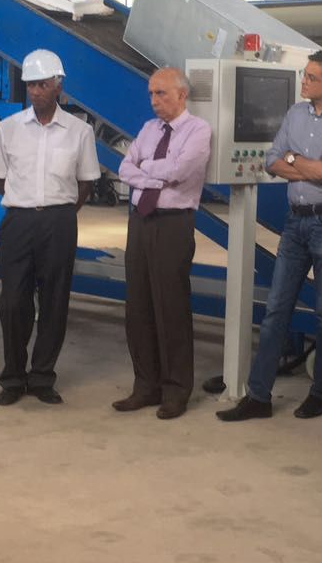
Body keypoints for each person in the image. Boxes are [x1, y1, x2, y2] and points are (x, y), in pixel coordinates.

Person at [217, 49, 322, 422]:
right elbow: (272, 160)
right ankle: (259, 397)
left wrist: (295, 160)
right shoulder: (296, 113)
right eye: (305, 74)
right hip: (295, 222)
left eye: (312, 78)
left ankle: (320, 393)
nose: (304, 82)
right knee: (275, 309)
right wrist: (305, 162)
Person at [0, 49, 101, 407]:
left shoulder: (79, 132)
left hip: (59, 222)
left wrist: (60, 211)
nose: (35, 91)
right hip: (18, 222)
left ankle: (42, 377)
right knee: (12, 302)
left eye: (42, 84)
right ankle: (13, 377)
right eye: (31, 85)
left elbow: (86, 182)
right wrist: (26, 202)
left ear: (58, 85)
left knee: (54, 300)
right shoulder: (9, 128)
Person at [112, 68, 211, 420]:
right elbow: (125, 168)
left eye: (161, 94)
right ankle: (145, 386)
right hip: (140, 221)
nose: (154, 101)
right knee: (138, 305)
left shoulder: (198, 131)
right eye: (151, 94)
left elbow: (180, 171)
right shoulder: (148, 129)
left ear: (182, 95)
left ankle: (176, 390)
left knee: (171, 306)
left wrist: (146, 170)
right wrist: (155, 173)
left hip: (173, 224)